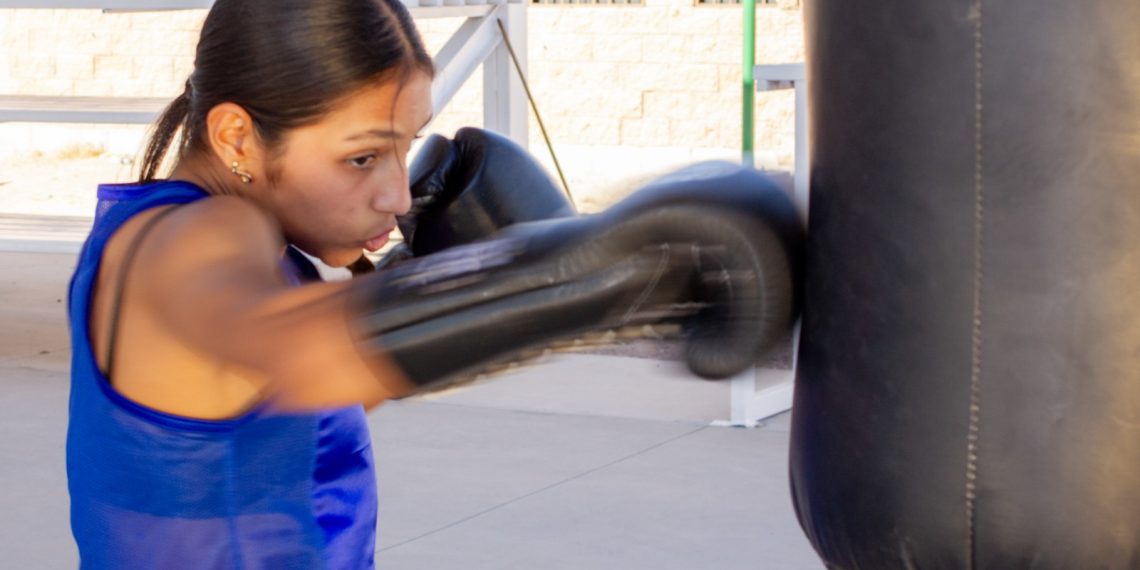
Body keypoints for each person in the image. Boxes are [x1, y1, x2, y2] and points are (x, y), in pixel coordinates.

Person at [66, 0, 801, 567]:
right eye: (361, 158)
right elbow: (288, 354)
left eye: (405, 149)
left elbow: (296, 400)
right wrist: (585, 280)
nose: (395, 194)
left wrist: (424, 287)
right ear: (235, 139)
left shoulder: (181, 235)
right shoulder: (197, 238)